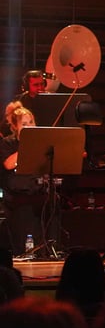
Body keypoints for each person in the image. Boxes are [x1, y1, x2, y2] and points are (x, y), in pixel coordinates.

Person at [0, 102, 40, 254]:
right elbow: (8, 164)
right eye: (24, 124)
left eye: (31, 122)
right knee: (24, 210)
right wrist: (26, 144)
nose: (29, 126)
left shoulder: (40, 142)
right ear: (15, 126)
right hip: (17, 193)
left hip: (36, 189)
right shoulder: (8, 143)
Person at [1, 70, 47, 137]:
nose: (40, 88)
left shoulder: (51, 100)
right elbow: (6, 125)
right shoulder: (19, 101)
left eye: (42, 84)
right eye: (36, 85)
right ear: (27, 86)